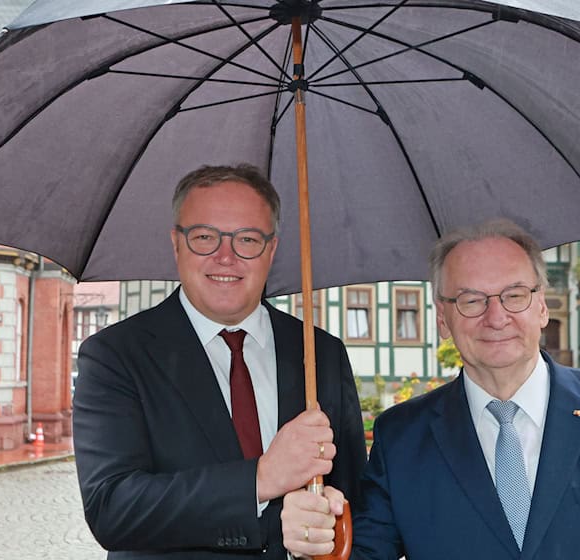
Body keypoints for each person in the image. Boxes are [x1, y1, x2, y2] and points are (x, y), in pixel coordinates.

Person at [282, 218, 580, 559]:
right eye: (471, 300)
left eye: (514, 295)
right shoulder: (401, 437)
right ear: (443, 320)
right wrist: (320, 540)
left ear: (541, 306)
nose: (495, 316)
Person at [74, 164, 366, 559]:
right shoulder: (116, 356)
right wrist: (259, 480)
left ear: (272, 249)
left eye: (247, 239)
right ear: (176, 244)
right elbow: (113, 509)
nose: (225, 257)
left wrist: (330, 523)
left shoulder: (322, 354)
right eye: (204, 237)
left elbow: (356, 506)